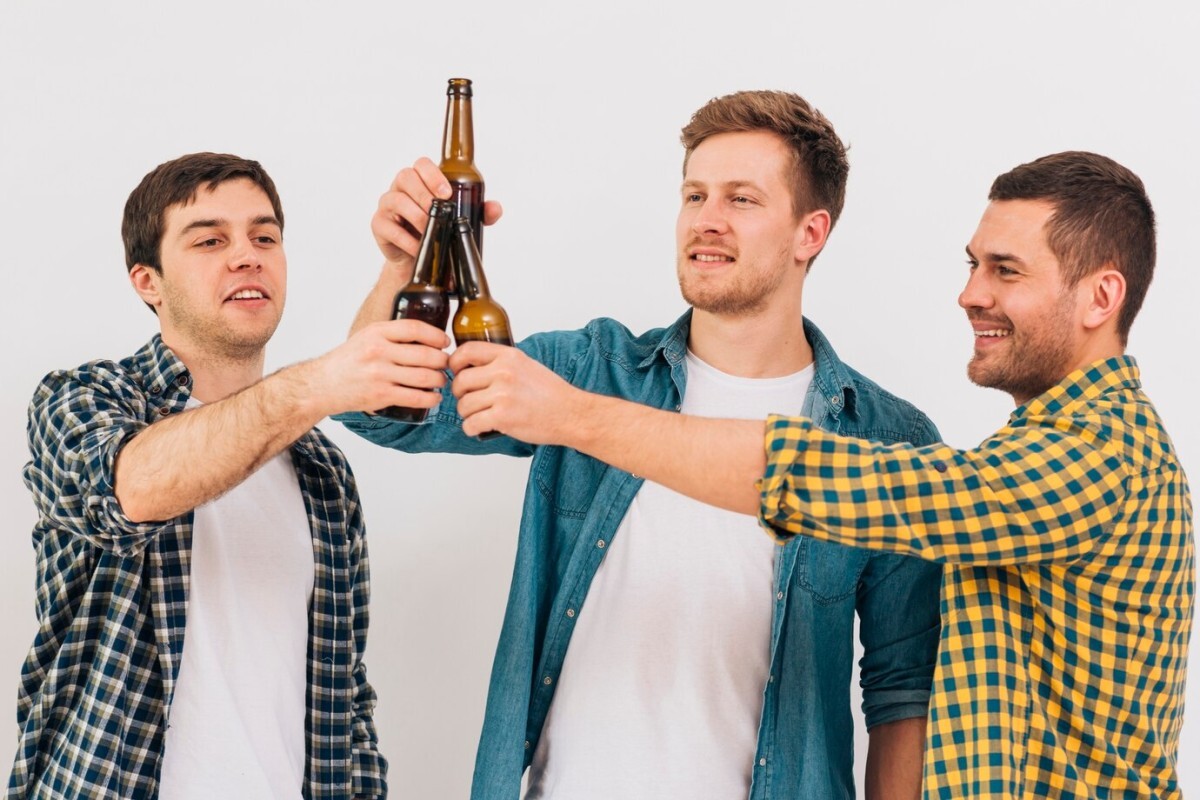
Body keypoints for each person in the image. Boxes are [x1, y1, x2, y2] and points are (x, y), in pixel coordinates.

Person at [451, 151, 1195, 799]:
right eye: (973, 264)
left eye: (1006, 270)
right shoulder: (1034, 449)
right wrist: (406, 268)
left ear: (1101, 297)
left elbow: (841, 489)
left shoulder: (1102, 455)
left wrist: (571, 415)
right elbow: (401, 412)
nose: (970, 293)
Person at [339, 90, 943, 799]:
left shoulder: (887, 440)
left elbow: (902, 690)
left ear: (810, 233)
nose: (707, 219)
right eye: (695, 195)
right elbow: (382, 413)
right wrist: (404, 266)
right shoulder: (591, 369)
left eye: (741, 199)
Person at [10, 152, 452, 799]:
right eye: (210, 240)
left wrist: (399, 270)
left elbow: (344, 694)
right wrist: (319, 383)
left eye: (264, 237)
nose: (247, 256)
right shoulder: (82, 399)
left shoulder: (321, 470)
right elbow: (130, 491)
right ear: (148, 282)